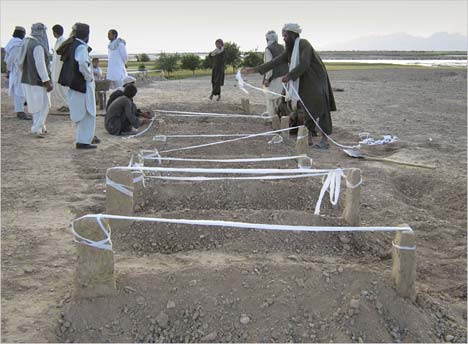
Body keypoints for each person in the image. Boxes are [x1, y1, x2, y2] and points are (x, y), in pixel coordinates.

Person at [242, 23, 336, 149]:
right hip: (303, 80)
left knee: (321, 107)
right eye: (283, 36)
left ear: (293, 35)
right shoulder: (290, 50)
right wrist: (254, 69)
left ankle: (325, 140)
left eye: (285, 36)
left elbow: (305, 63)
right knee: (305, 106)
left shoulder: (304, 44)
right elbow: (275, 62)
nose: (284, 39)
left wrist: (290, 76)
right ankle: (307, 138)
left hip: (316, 79)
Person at [57, 22, 100, 149]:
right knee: (87, 113)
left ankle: (83, 139)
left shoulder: (73, 45)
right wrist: (89, 77)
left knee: (82, 113)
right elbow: (82, 65)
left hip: (76, 86)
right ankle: (83, 141)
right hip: (83, 86)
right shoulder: (81, 47)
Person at [18, 23, 53, 137]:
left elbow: (19, 61)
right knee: (44, 105)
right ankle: (36, 128)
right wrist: (46, 81)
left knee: (36, 105)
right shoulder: (38, 45)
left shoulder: (27, 42)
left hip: (27, 79)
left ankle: (41, 126)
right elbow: (40, 65)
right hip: (38, 81)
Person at [4, 26, 30, 120]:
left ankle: (20, 110)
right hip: (18, 70)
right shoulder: (16, 44)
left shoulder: (12, 42)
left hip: (17, 70)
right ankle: (20, 111)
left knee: (19, 90)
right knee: (19, 91)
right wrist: (9, 69)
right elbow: (11, 59)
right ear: (21, 34)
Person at [262, 30, 289, 120]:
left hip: (275, 77)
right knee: (280, 98)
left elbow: (269, 65)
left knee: (271, 99)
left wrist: (267, 78)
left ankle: (273, 118)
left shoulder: (268, 49)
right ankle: (282, 117)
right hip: (284, 76)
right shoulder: (282, 47)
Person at [51, 24, 69, 112]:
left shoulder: (63, 41)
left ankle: (67, 105)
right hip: (56, 68)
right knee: (58, 88)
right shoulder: (58, 41)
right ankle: (64, 104)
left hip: (61, 68)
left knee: (63, 89)